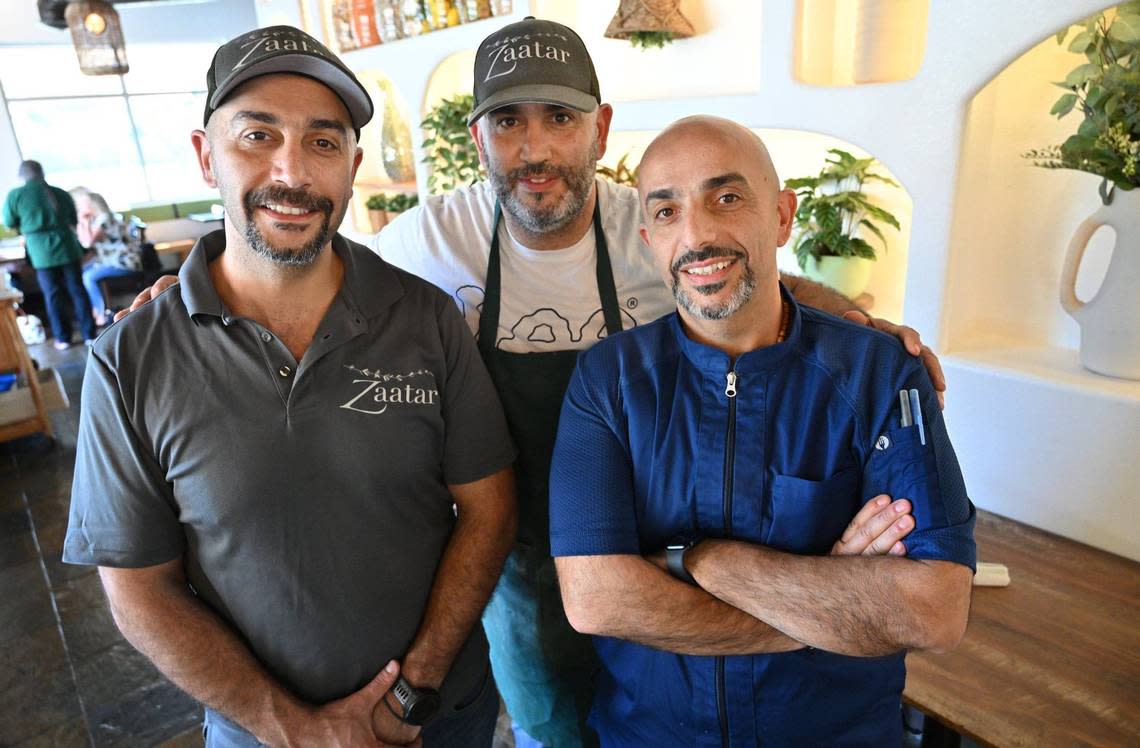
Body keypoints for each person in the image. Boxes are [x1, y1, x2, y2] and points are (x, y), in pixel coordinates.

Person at [122, 17, 943, 748]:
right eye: (508, 121)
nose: (535, 148)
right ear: (477, 135)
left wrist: (864, 324)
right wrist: (198, 277)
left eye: (560, 118)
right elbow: (298, 245)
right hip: (514, 557)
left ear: (599, 129)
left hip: (656, 539)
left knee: (667, 701)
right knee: (552, 721)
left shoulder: (654, 219)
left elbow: (753, 274)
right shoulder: (428, 240)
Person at [63, 25, 517, 748]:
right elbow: (139, 591)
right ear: (205, 154)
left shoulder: (425, 318)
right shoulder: (131, 360)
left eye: (323, 142)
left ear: (352, 164)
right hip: (256, 733)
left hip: (437, 716)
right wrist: (297, 729)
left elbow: (489, 511)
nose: (293, 172)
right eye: (256, 136)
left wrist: (408, 693)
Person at [549, 116, 976, 747]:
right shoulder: (607, 380)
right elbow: (595, 600)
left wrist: (699, 560)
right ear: (648, 239)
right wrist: (830, 599)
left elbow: (934, 610)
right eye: (667, 212)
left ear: (780, 216)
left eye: (727, 198)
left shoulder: (880, 374)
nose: (697, 235)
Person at [3, 160, 96, 349]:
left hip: (41, 252)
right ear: (42, 173)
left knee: (52, 294)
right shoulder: (61, 193)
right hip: (68, 246)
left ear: (22, 176)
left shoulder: (16, 195)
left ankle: (63, 338)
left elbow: (9, 222)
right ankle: (90, 334)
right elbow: (72, 220)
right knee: (77, 290)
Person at [72, 190, 144, 325]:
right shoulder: (101, 219)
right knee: (84, 269)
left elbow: (87, 242)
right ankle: (97, 309)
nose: (81, 208)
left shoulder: (104, 219)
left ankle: (100, 313)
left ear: (92, 205)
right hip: (114, 260)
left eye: (83, 205)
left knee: (88, 276)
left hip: (125, 262)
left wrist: (83, 221)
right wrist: (82, 222)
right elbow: (84, 241)